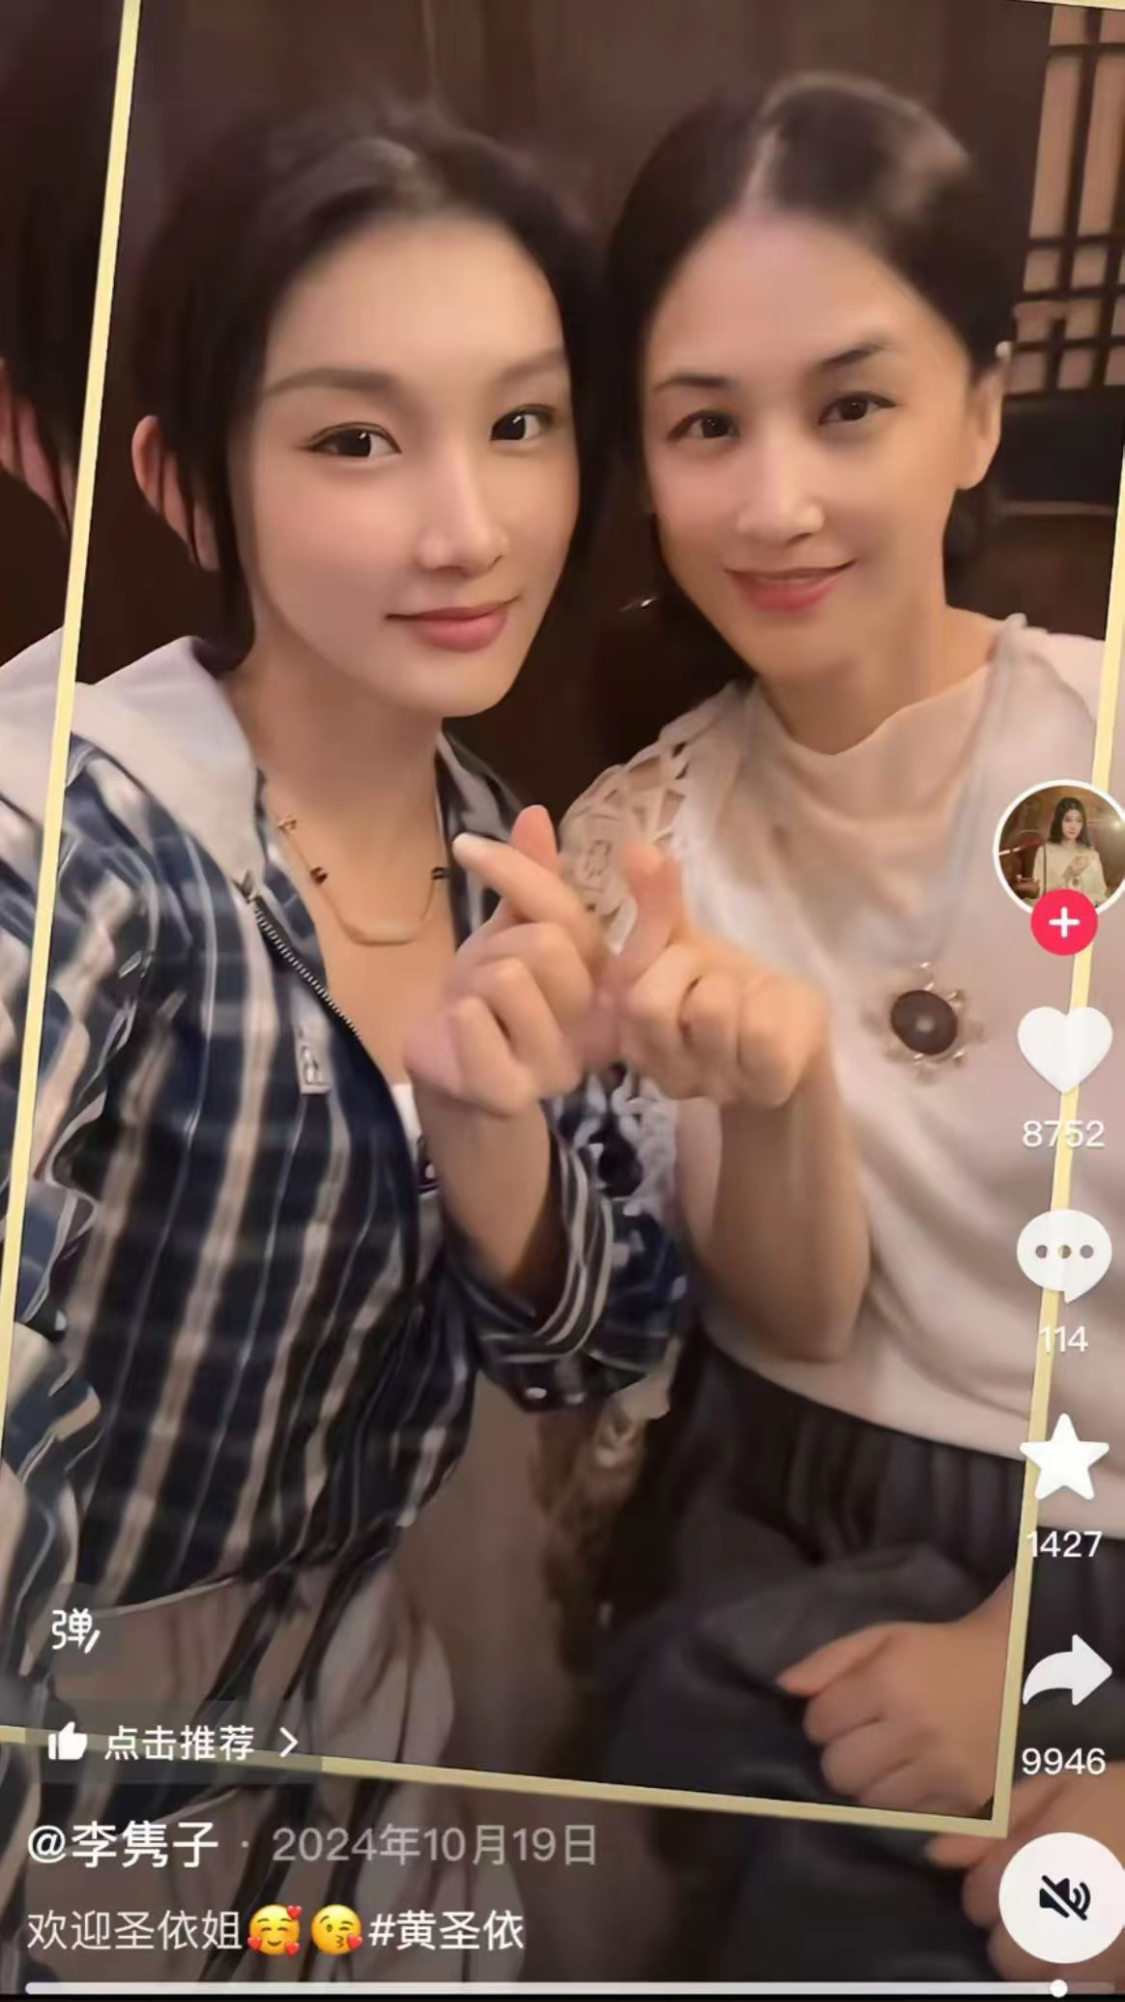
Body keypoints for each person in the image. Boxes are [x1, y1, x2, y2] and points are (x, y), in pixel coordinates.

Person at [0, 97, 701, 1987]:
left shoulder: (514, 848)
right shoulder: (80, 842)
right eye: (354, 439)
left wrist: (495, 1140)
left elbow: (592, 1347)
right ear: (188, 484)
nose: (468, 527)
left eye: (522, 423)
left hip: (371, 1761)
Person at [551, 74, 1125, 1980]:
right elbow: (796, 1323)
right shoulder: (648, 832)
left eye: (852, 407)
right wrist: (783, 1092)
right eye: (707, 424)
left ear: (979, 412)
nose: (776, 501)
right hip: (774, 1514)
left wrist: (1051, 1674)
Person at [1032, 795, 1109, 904]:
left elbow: (1100, 893)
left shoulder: (1092, 855)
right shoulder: (1044, 852)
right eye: (1068, 820)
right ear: (1059, 821)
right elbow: (1040, 893)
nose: (1073, 826)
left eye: (1079, 821)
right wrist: (1068, 875)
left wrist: (1082, 900)